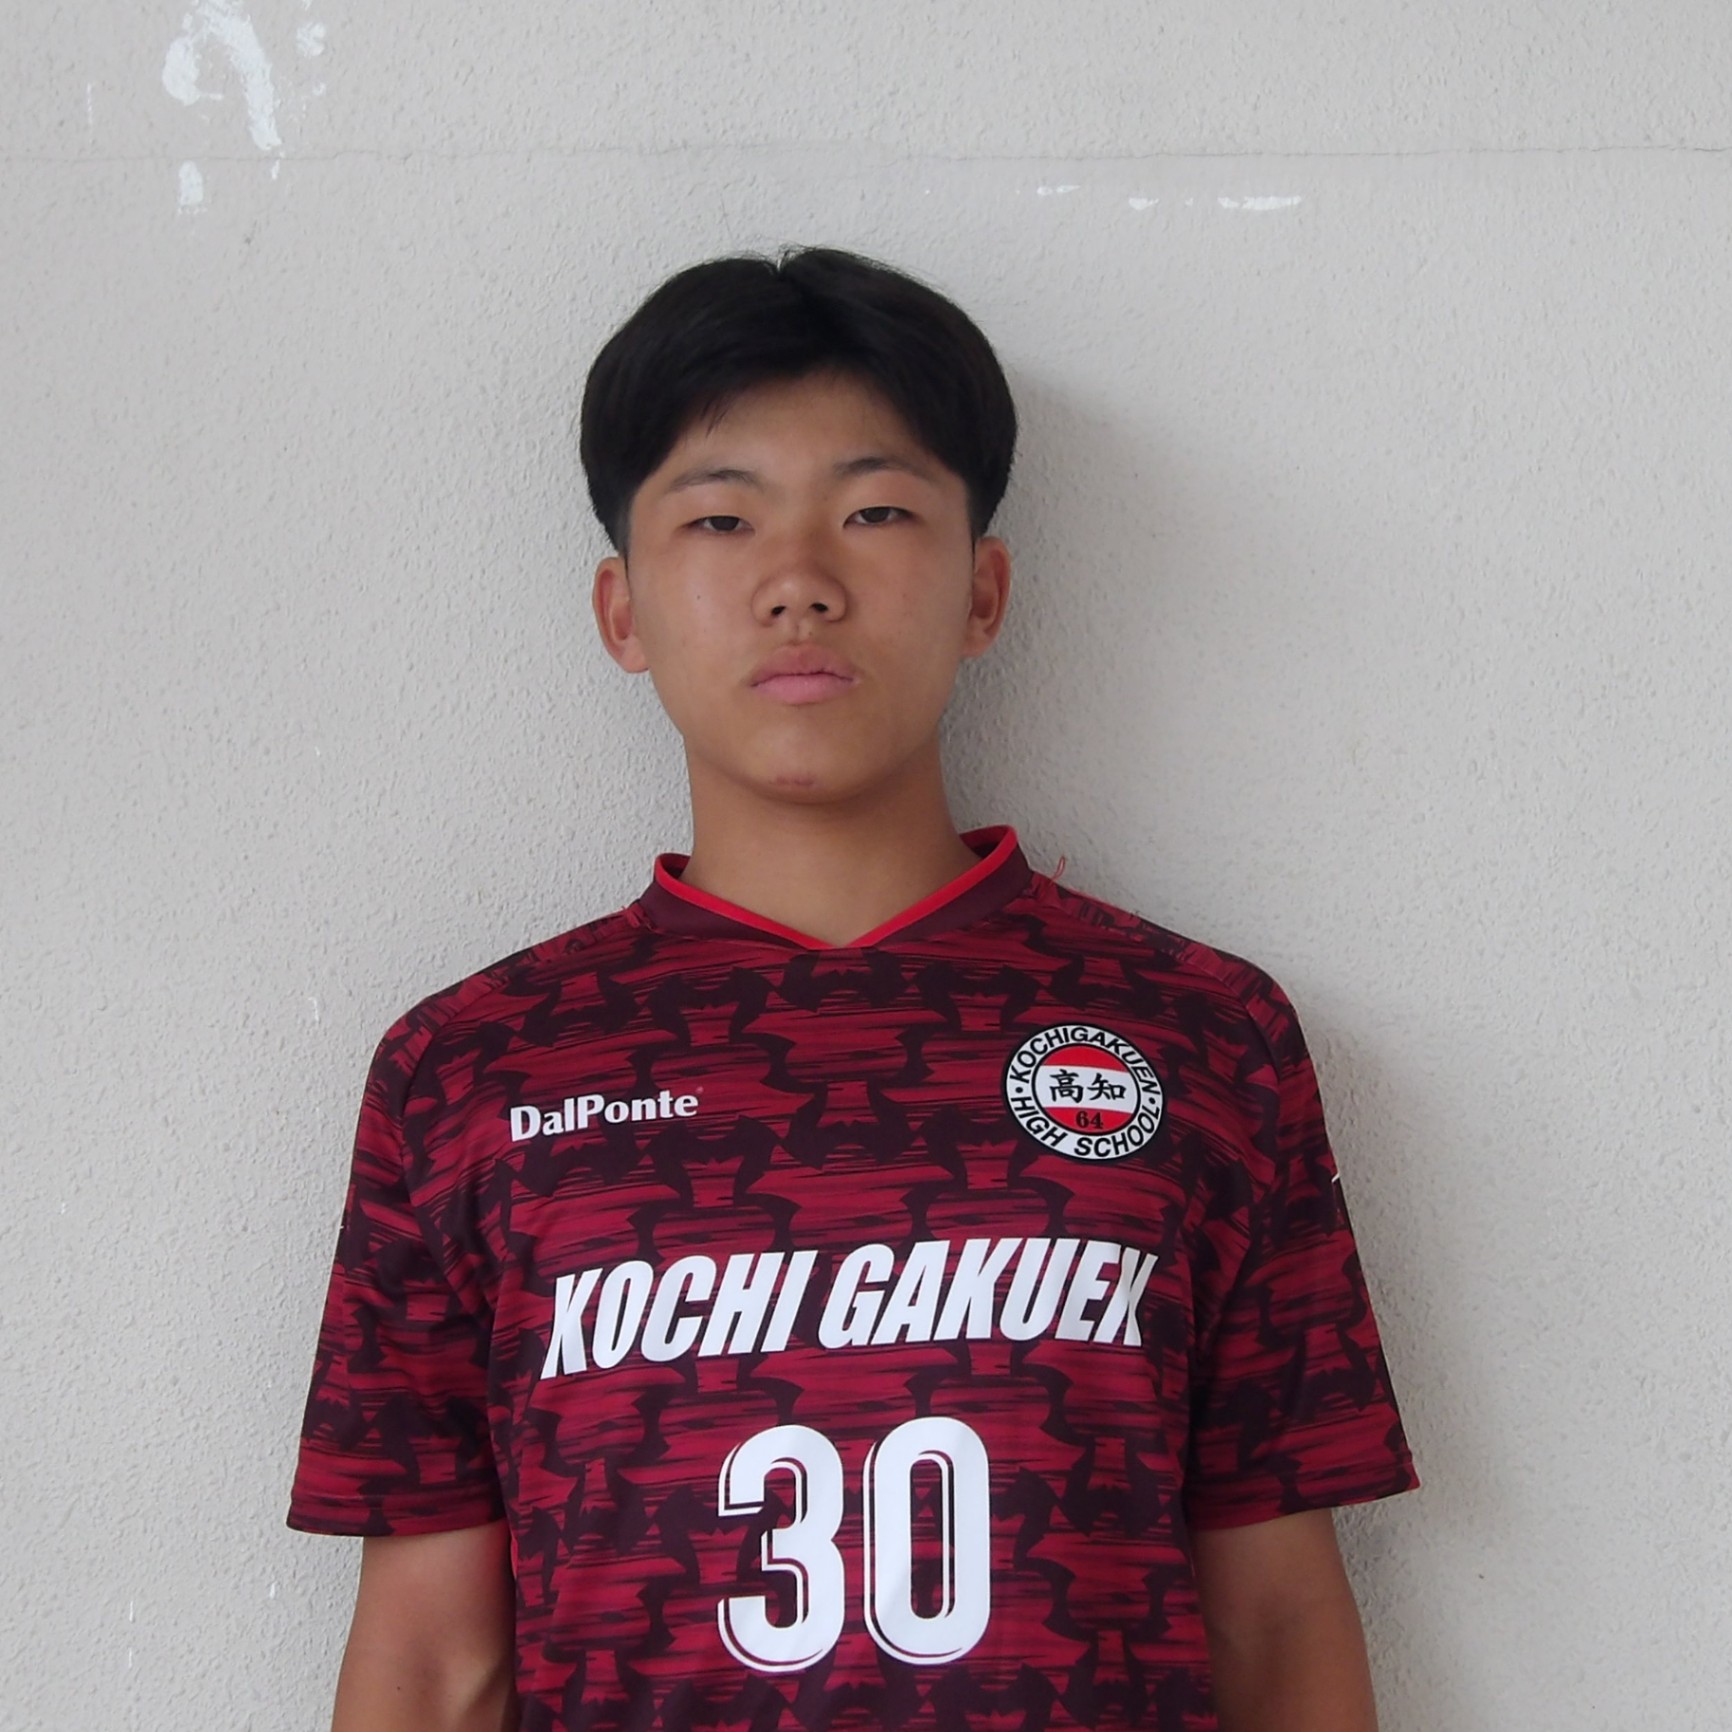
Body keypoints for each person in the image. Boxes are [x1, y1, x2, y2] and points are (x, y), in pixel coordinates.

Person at [288, 247, 1417, 1732]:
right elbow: (435, 1661)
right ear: (622, 611)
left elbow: (1276, 1622)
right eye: (721, 518)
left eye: (876, 512)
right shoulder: (469, 1071)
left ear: (983, 591)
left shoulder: (1206, 1039)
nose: (802, 583)